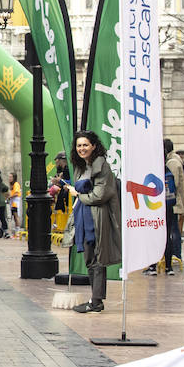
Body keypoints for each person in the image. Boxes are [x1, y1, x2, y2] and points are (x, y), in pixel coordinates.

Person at [68, 131, 122, 314]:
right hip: (84, 216)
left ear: (93, 146)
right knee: (89, 258)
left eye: (85, 145)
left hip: (97, 217)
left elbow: (100, 195)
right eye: (79, 145)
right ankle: (95, 299)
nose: (82, 148)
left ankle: (97, 301)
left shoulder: (102, 166)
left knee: (98, 258)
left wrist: (78, 195)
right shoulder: (80, 166)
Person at [148, 139, 184, 275]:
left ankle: (156, 265)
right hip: (169, 203)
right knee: (168, 234)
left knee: (159, 234)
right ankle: (168, 266)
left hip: (159, 204)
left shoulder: (165, 164)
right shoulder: (172, 163)